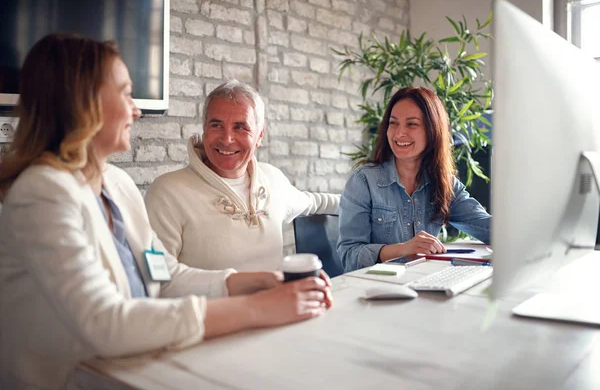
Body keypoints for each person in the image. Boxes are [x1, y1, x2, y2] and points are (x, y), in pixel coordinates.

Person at [0, 33, 333, 390]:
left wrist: (253, 282)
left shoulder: (117, 182)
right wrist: (259, 308)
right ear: (83, 102)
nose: (137, 109)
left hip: (134, 370)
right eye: (126, 93)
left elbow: (162, 275)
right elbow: (104, 322)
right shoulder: (42, 193)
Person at [145, 80, 340, 271]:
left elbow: (316, 202)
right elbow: (158, 278)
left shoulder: (273, 180)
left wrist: (367, 202)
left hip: (275, 303)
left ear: (259, 136)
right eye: (216, 125)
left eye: (240, 127)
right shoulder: (167, 192)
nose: (227, 138)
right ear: (204, 129)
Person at [337, 87, 490, 272]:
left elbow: (487, 227)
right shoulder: (363, 181)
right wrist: (403, 249)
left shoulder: (443, 183)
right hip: (371, 290)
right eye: (393, 123)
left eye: (412, 124)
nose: (399, 133)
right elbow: (349, 255)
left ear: (432, 131)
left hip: (421, 283)